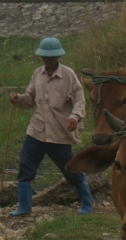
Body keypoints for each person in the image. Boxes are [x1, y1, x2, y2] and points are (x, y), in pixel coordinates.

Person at [6, 36, 94, 217]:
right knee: (25, 165)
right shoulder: (37, 74)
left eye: (51, 57)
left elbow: (79, 100)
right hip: (37, 130)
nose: (48, 60)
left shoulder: (68, 75)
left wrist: (75, 117)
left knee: (69, 168)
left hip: (59, 132)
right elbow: (29, 99)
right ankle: (24, 207)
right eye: (45, 57)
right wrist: (17, 99)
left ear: (57, 57)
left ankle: (87, 201)